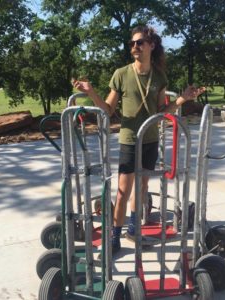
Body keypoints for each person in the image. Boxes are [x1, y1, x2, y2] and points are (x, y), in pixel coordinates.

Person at [72, 25, 206, 254]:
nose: (135, 46)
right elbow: (107, 109)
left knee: (142, 186)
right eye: (132, 43)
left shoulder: (160, 75)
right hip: (130, 139)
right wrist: (91, 92)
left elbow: (165, 111)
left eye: (140, 42)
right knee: (123, 190)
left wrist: (183, 98)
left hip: (151, 139)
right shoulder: (121, 74)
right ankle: (114, 236)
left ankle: (135, 230)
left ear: (151, 45)